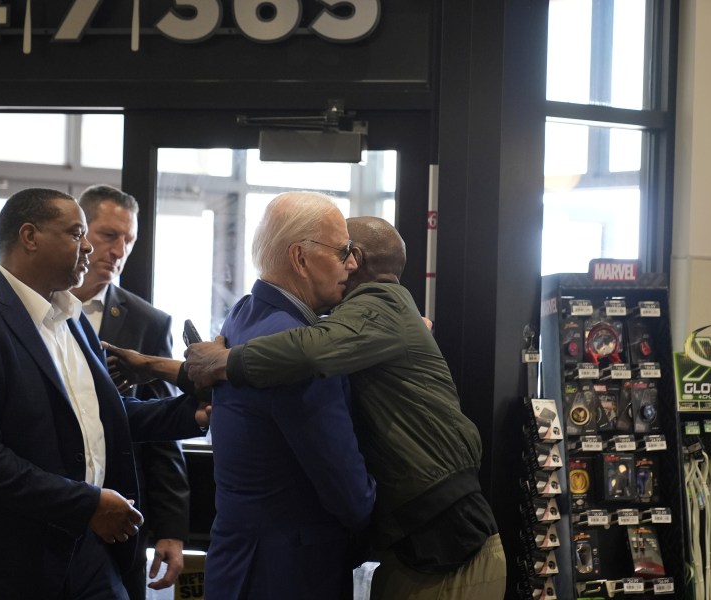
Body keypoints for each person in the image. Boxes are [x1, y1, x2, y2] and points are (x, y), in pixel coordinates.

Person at [181, 216, 507, 600]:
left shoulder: (379, 303)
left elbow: (311, 350)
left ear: (359, 257)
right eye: (338, 253)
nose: (344, 264)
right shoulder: (351, 318)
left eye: (346, 253)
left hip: (449, 545)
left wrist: (221, 362)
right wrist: (163, 366)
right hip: (422, 546)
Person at [0, 188, 208, 600]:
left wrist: (189, 415)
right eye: (75, 233)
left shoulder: (71, 319)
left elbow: (103, 416)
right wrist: (87, 504)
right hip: (5, 560)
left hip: (87, 550)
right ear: (29, 237)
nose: (87, 246)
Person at [114, 191, 376, 599]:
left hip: (238, 563)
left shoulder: (244, 311)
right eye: (343, 251)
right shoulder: (297, 349)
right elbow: (349, 494)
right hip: (288, 574)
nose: (353, 263)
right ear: (300, 258)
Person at [73, 184, 192, 598]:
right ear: (80, 233)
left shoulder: (148, 322)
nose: (120, 250)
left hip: (122, 509)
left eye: (130, 240)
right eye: (109, 235)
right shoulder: (38, 310)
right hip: (51, 506)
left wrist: (172, 531)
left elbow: (162, 432)